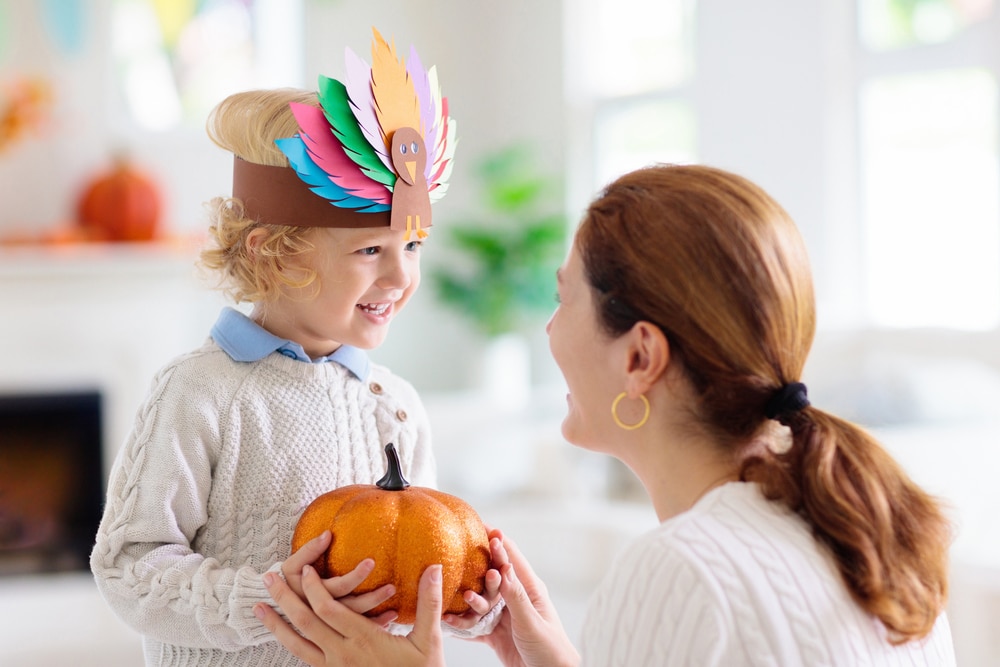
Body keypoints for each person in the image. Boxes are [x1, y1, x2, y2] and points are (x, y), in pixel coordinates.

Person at [254, 163, 957, 666]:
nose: (550, 332)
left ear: (640, 356)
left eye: (565, 302)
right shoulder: (869, 539)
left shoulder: (680, 570)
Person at [90, 32, 501, 667]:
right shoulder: (200, 393)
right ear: (272, 254)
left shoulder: (394, 405)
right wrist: (272, 599)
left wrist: (467, 598)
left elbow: (417, 567)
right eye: (370, 250)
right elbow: (129, 566)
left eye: (412, 246)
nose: (400, 277)